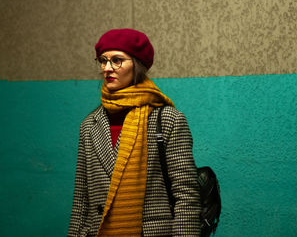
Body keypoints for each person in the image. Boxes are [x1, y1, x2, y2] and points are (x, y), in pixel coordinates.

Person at [68, 28, 201, 236]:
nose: (107, 68)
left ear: (137, 65)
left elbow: (186, 195)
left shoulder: (167, 120)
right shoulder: (89, 125)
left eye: (117, 60)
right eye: (103, 60)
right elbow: (81, 200)